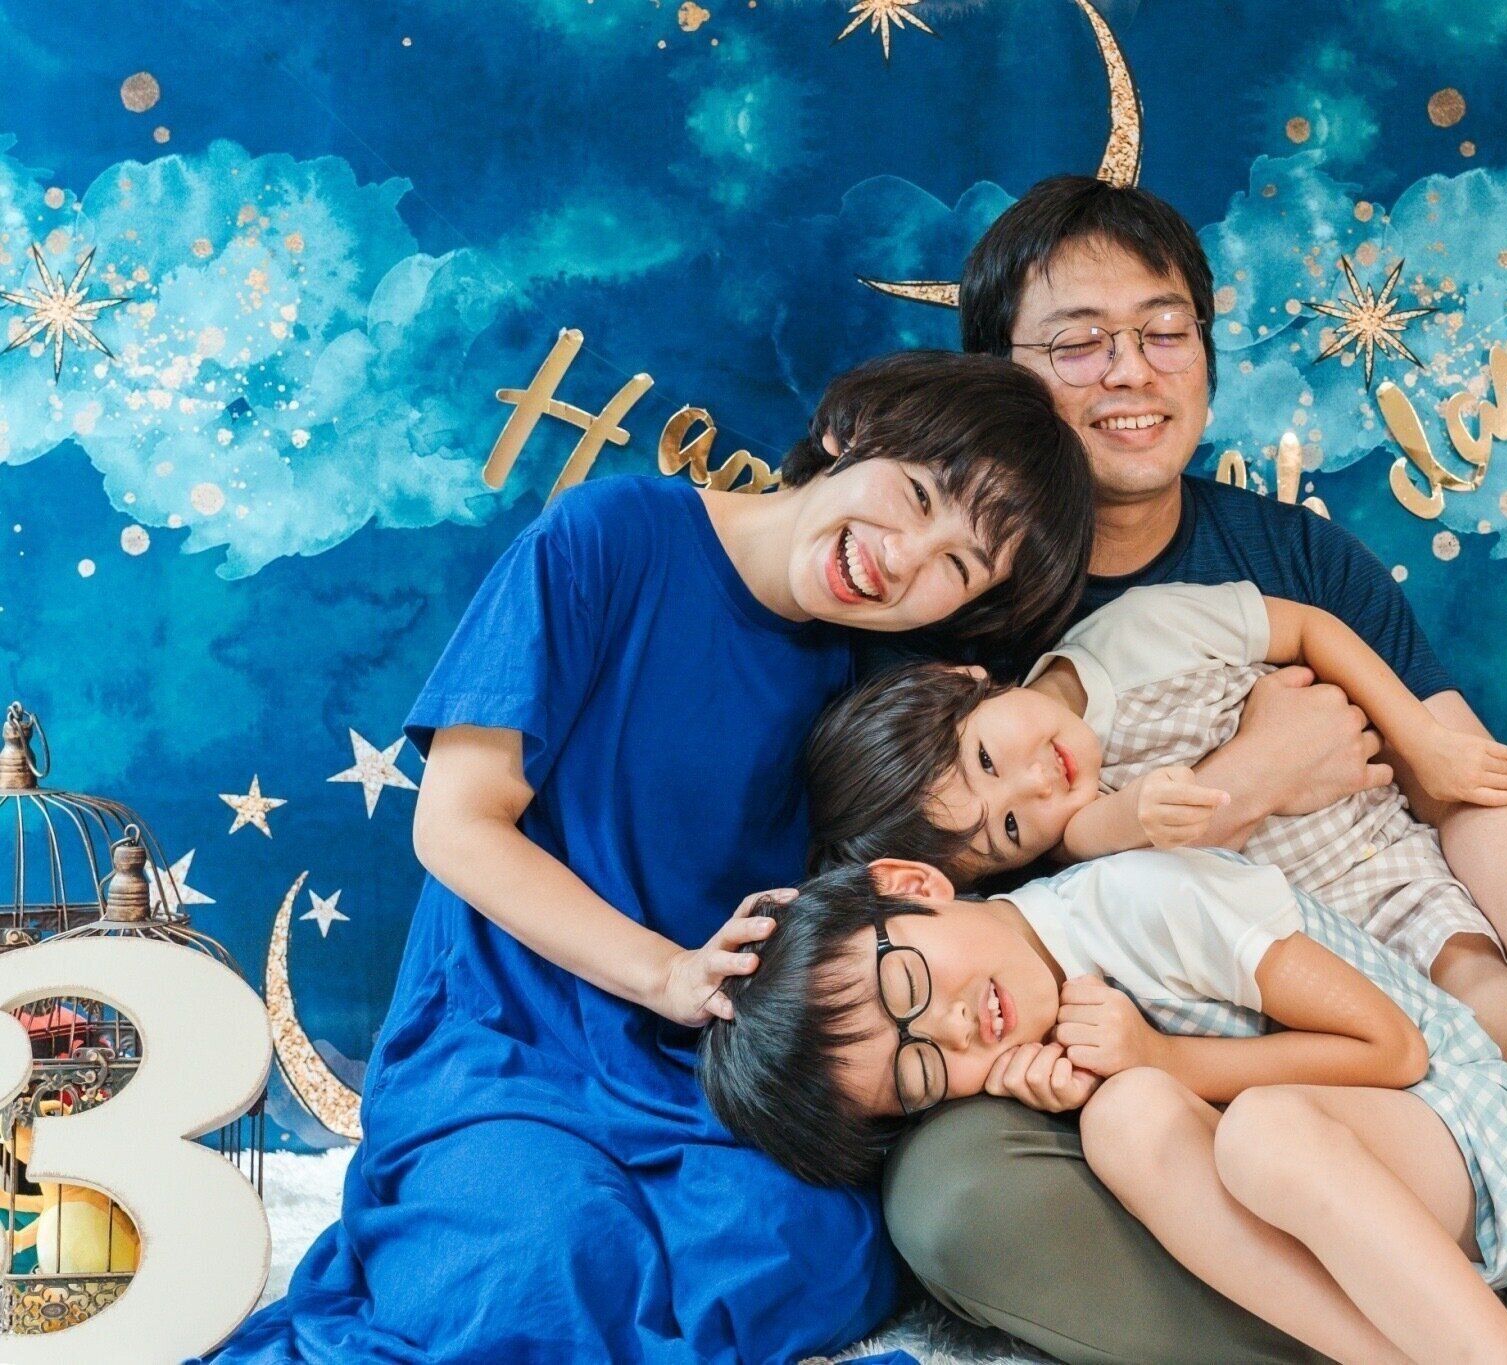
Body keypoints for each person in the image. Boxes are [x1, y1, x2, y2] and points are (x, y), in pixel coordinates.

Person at [867, 175, 1507, 1365]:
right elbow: (957, 906)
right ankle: (1475, 1328)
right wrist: (1250, 782)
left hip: (1395, 958)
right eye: (1076, 344)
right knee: (956, 1198)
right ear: (999, 376)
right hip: (1163, 1047)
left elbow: (1467, 783)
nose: (1129, 373)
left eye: (1162, 332)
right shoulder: (954, 601)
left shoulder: (1286, 556)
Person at [207, 351, 1094, 1364]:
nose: (902, 559)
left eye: (957, 568)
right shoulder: (608, 537)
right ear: (854, 432)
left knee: (816, 1246)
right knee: (531, 1264)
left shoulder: (872, 682)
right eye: (918, 497)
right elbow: (455, 826)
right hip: (503, 1041)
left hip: (696, 1074)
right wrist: (665, 974)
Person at [701, 848, 1507, 1365]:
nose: (953, 1028)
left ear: (913, 883)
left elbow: (1395, 1050)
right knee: (1127, 1118)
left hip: (1466, 1127)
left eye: (907, 986)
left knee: (1259, 1132)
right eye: (922, 1070)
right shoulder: (1031, 1043)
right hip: (1378, 1226)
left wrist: (1162, 1056)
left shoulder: (1140, 899)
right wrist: (1102, 1088)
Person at [811, 581, 1507, 1063]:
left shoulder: (1137, 633)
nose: (1036, 785)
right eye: (1009, 830)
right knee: (1434, 1058)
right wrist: (1156, 810)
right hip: (1313, 940)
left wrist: (1424, 742)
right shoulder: (1076, 845)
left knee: (1496, 1009)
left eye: (987, 759)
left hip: (1387, 861)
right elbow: (1100, 835)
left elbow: (1310, 628)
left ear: (958, 680)